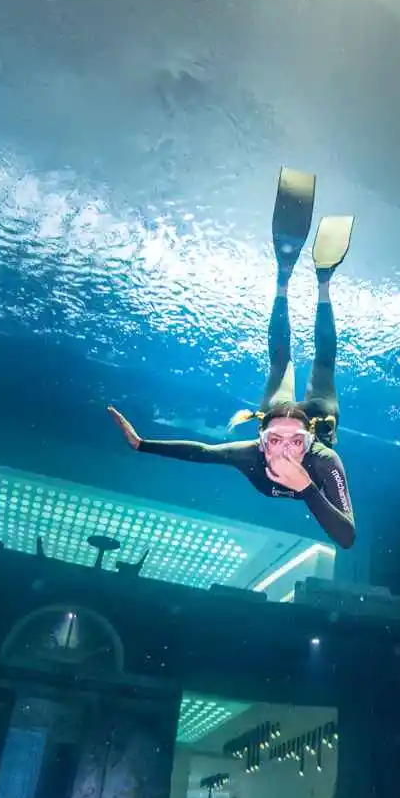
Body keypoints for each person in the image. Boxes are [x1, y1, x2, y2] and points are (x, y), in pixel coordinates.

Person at [108, 168, 356, 550]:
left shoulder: (297, 461)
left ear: (307, 443)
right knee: (323, 365)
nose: (286, 450)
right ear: (261, 440)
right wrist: (140, 445)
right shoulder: (320, 461)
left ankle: (283, 277)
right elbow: (347, 537)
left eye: (293, 442)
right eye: (277, 440)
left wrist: (144, 444)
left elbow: (204, 452)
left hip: (288, 412)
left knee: (280, 364)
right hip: (319, 415)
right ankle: (323, 282)